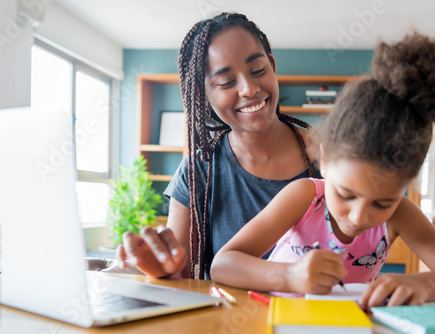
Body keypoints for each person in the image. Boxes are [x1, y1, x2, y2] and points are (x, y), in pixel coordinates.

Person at [210, 31, 435, 310]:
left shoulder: (401, 213)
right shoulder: (305, 196)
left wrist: (420, 285)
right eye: (346, 195)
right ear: (325, 159)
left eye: (382, 203)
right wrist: (290, 276)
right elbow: (223, 264)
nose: (359, 216)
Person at [116, 12, 318, 279]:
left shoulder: (328, 154)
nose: (248, 88)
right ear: (203, 94)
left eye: (258, 70)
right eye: (226, 82)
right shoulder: (198, 170)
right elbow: (180, 272)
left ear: (272, 65)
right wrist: (161, 268)